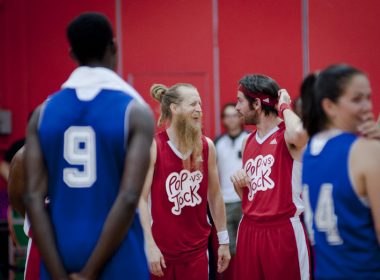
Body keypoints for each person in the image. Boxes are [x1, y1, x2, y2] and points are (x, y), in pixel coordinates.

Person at [24, 12, 154, 280]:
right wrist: (90, 272)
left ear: (71, 54)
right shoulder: (135, 112)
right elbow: (130, 197)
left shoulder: (42, 113)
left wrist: (59, 275)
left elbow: (33, 198)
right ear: (114, 47)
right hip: (118, 255)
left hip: (59, 250)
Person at [139, 83, 231, 280]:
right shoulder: (154, 147)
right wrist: (149, 244)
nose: (199, 109)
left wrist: (223, 240)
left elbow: (214, 196)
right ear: (174, 108)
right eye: (192, 104)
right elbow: (140, 199)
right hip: (161, 254)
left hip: (197, 253)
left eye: (200, 103)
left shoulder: (207, 147)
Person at [301, 64, 380, 278]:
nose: (367, 106)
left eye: (368, 98)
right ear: (329, 106)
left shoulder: (309, 151)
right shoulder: (366, 151)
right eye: (357, 99)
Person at [230, 74, 311, 279]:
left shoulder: (286, 135)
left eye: (240, 100)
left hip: (282, 231)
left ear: (256, 103)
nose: (237, 107)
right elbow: (250, 196)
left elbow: (300, 134)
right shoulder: (247, 141)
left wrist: (284, 106)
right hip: (249, 228)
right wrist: (239, 182)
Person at [211, 103, 248, 279]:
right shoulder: (217, 142)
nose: (231, 119)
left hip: (244, 201)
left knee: (245, 247)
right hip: (224, 203)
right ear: (223, 120)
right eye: (227, 116)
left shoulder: (249, 139)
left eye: (234, 115)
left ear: (240, 117)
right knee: (227, 247)